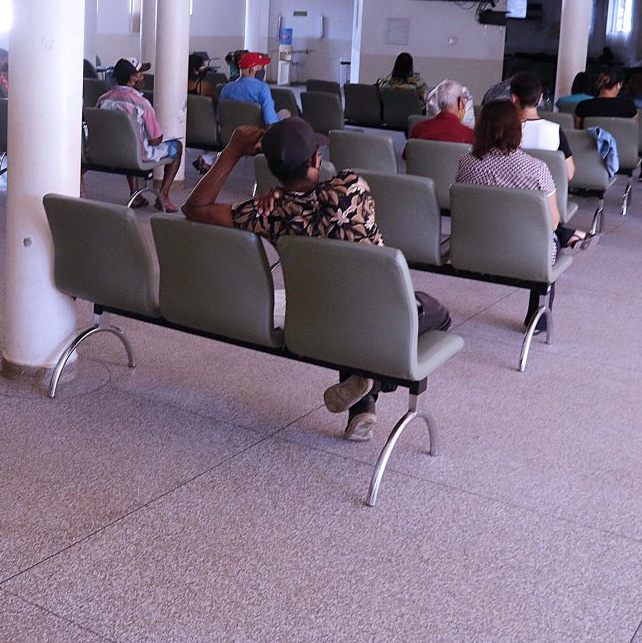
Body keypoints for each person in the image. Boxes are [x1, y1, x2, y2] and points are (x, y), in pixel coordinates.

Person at [181, 117, 450, 442]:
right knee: (437, 312)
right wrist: (282, 191)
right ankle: (371, 380)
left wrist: (234, 152)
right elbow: (321, 196)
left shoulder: (266, 213)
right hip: (376, 315)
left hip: (314, 323)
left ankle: (362, 406)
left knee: (342, 306)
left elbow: (195, 207)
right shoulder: (351, 186)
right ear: (316, 160)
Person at [456, 103, 587, 328]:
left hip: (473, 247)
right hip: (526, 254)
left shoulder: (466, 162)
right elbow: (553, 221)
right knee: (551, 238)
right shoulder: (536, 168)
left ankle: (569, 235)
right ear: (518, 130)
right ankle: (538, 321)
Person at [96, 58, 184, 213]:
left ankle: (135, 194)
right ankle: (163, 196)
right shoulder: (141, 103)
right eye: (140, 74)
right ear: (132, 79)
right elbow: (155, 140)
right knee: (177, 146)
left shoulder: (102, 99)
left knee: (128, 141)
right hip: (135, 155)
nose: (143, 78)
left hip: (107, 153)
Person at [193, 51, 281, 173]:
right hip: (255, 135)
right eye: (261, 67)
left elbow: (220, 118)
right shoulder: (262, 88)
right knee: (285, 114)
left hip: (230, 134)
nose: (263, 70)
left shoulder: (226, 88)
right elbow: (270, 121)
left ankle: (208, 158)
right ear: (252, 70)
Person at [509, 72, 574, 180]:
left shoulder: (504, 130)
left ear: (513, 98)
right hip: (546, 189)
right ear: (540, 98)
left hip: (512, 188)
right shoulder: (555, 130)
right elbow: (569, 173)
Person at [405, 79, 473, 156]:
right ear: (460, 102)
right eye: (464, 99)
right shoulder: (469, 135)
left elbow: (408, 156)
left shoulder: (418, 129)